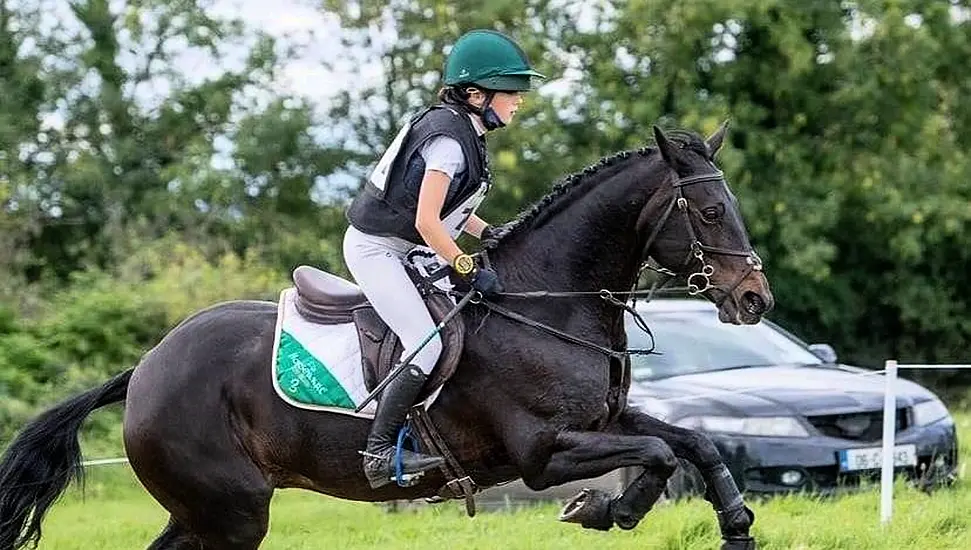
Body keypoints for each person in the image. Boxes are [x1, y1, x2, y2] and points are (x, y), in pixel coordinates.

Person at [344, 29, 545, 489]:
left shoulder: (464, 129)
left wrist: (488, 231)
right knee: (426, 342)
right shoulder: (449, 141)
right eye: (511, 94)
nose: (518, 103)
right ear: (477, 94)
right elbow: (429, 222)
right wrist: (466, 266)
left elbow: (454, 211)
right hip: (377, 250)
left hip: (407, 249)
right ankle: (378, 453)